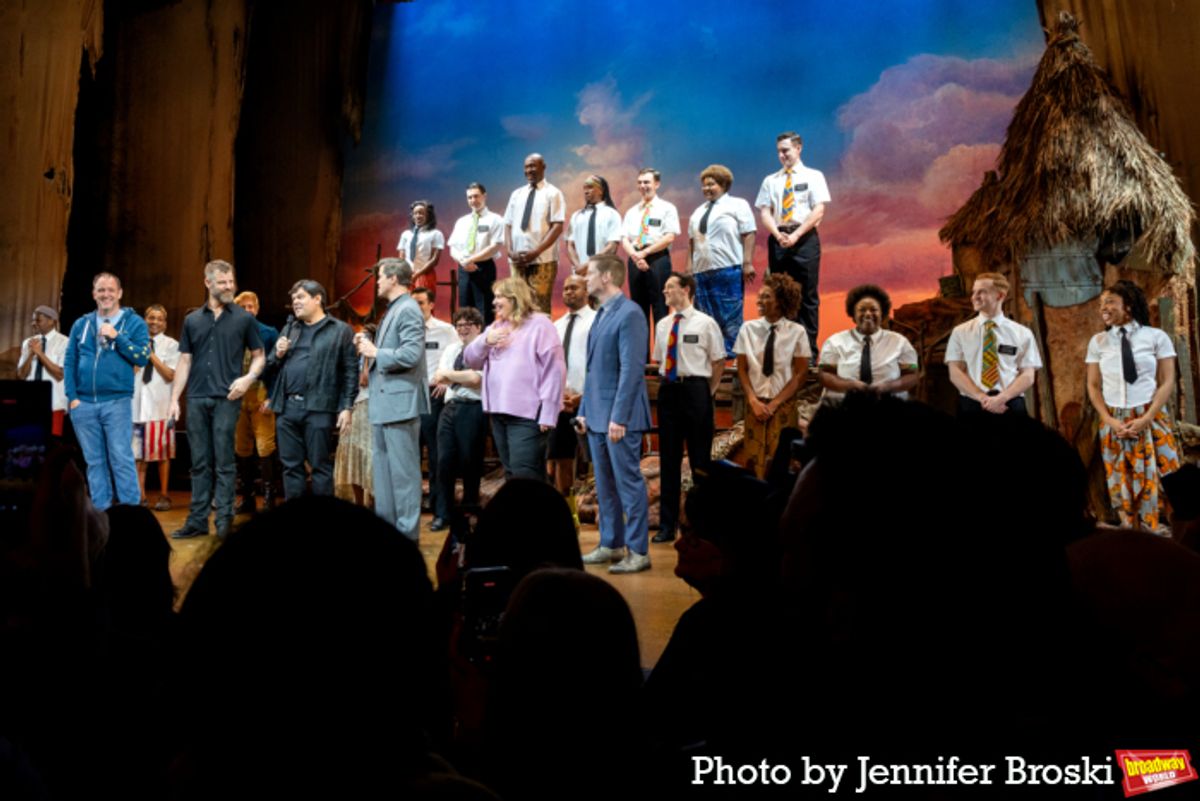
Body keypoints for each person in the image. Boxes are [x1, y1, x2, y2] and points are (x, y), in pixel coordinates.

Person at [169, 260, 265, 540]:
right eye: (222, 282)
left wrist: (247, 379)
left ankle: (224, 521)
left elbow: (259, 355)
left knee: (224, 461)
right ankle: (197, 520)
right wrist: (174, 399)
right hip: (197, 397)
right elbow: (184, 361)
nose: (228, 286)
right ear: (208, 283)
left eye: (231, 281)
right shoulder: (192, 320)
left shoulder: (244, 319)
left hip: (227, 398)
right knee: (199, 462)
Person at [1085, 280, 1181, 533]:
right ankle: (1131, 531)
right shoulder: (1098, 342)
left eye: (1110, 302)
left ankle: (1165, 531)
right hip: (1114, 419)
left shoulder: (1156, 337)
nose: (1103, 308)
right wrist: (1110, 420)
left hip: (1151, 415)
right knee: (1121, 477)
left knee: (1168, 474)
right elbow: (1093, 386)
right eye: (1101, 303)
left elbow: (1167, 381)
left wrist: (1147, 417)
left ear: (1128, 305)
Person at [578, 254, 653, 574]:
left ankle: (638, 551)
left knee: (628, 484)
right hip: (596, 415)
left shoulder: (630, 313)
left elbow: (632, 370)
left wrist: (619, 417)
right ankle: (611, 543)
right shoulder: (601, 313)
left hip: (620, 418)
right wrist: (584, 411)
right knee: (605, 486)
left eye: (590, 274)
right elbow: (593, 370)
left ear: (607, 277)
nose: (585, 279)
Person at [63, 273, 151, 511]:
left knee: (121, 458)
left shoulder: (134, 323)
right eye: (101, 290)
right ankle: (102, 515)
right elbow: (70, 361)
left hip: (117, 402)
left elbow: (142, 357)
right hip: (83, 405)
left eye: (111, 290)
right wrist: (73, 398)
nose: (106, 294)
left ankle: (131, 515)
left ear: (120, 293)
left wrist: (117, 336)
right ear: (94, 294)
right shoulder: (81, 324)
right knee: (94, 462)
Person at [462, 276, 564, 480]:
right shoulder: (495, 327)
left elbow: (555, 370)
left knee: (524, 474)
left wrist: (548, 411)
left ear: (515, 298)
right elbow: (470, 360)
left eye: (499, 296)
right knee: (511, 473)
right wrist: (484, 341)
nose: (494, 302)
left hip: (527, 415)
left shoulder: (540, 324)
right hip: (499, 412)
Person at [356, 258, 429, 540]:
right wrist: (368, 346)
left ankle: (408, 537)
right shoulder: (395, 309)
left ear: (394, 279)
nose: (377, 282)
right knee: (384, 476)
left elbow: (411, 355)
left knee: (403, 476)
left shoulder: (408, 309)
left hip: (400, 405)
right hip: (385, 404)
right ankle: (388, 536)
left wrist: (376, 353)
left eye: (380, 277)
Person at [265, 280, 357, 500]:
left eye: (300, 297)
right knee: (290, 467)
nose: (295, 302)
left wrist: (346, 406)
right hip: (287, 407)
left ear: (317, 299)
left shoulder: (340, 330)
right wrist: (278, 354)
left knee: (320, 465)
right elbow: (269, 366)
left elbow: (350, 372)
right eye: (293, 298)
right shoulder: (290, 329)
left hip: (319, 406)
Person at [653, 272, 725, 542]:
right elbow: (659, 360)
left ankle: (702, 526)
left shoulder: (706, 323)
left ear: (685, 289)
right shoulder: (663, 325)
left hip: (696, 389)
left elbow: (718, 361)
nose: (664, 291)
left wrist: (708, 393)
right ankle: (666, 525)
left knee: (700, 461)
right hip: (669, 390)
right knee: (669, 460)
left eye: (669, 287)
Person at [756, 131, 830, 354]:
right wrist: (777, 234)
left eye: (786, 150)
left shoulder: (814, 176)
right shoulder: (771, 180)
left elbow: (819, 209)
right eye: (779, 151)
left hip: (805, 238)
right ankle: (783, 349)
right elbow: (765, 212)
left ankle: (808, 352)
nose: (782, 155)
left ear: (798, 148)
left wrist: (796, 235)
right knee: (780, 294)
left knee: (807, 295)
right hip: (779, 239)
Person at [735, 273, 812, 479]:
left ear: (780, 301)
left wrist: (775, 403)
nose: (759, 301)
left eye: (766, 296)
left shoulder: (797, 332)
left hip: (783, 404)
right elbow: (742, 369)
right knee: (753, 463)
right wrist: (753, 400)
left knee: (781, 462)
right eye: (759, 296)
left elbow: (801, 373)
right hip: (755, 404)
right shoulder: (747, 329)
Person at [946, 271, 1041, 417]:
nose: (974, 297)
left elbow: (1028, 375)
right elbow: (955, 372)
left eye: (982, 292)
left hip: (1009, 405)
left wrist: (1001, 398)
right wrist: (982, 398)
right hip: (971, 405)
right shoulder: (960, 332)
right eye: (974, 292)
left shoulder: (1022, 333)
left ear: (1000, 296)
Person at [687, 164, 757, 357]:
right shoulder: (698, 211)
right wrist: (688, 269)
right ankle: (707, 357)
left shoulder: (738, 205)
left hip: (728, 269)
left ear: (724, 185)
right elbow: (692, 241)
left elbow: (749, 233)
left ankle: (732, 360)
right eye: (704, 185)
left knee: (730, 317)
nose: (706, 188)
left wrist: (747, 262)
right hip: (701, 272)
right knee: (703, 317)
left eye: (711, 184)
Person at [431, 307, 487, 530]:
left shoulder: (484, 350)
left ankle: (469, 511)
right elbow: (438, 375)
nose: (462, 329)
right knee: (444, 462)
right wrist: (457, 376)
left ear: (478, 327)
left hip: (473, 408)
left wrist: (450, 376)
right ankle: (442, 514)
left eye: (468, 325)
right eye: (459, 325)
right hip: (449, 408)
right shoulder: (452, 348)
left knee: (470, 462)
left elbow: (476, 379)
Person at [818, 283, 918, 404]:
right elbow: (824, 374)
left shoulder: (900, 342)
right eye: (862, 310)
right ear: (853, 314)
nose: (868, 314)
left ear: (882, 314)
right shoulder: (834, 342)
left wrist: (888, 387)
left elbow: (912, 375)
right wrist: (849, 385)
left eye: (874, 309)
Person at [549, 275, 596, 524]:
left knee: (596, 457)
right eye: (565, 288)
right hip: (561, 401)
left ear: (587, 290)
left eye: (574, 287)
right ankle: (568, 516)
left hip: (589, 399)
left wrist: (585, 396)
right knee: (561, 457)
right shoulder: (556, 325)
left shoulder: (597, 321)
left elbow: (600, 363)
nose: (568, 292)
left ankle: (601, 511)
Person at [413, 287, 458, 528]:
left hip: (433, 395)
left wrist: (445, 379)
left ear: (431, 305)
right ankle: (410, 510)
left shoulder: (446, 330)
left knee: (437, 456)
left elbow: (458, 356)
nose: (416, 307)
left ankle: (440, 512)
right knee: (409, 456)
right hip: (409, 395)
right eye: (413, 303)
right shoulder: (404, 329)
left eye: (420, 302)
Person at [232, 291, 280, 514]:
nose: (247, 310)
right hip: (237, 396)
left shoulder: (269, 333)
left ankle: (269, 498)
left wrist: (272, 397)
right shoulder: (229, 332)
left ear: (257, 309)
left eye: (251, 306)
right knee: (242, 447)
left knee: (265, 446)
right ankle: (247, 497)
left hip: (261, 393)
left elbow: (277, 368)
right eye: (243, 307)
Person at [621, 167, 680, 342]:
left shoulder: (667, 208)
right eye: (639, 182)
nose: (643, 186)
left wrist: (645, 252)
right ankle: (642, 356)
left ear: (657, 184)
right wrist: (636, 256)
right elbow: (624, 238)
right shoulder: (632, 211)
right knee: (638, 309)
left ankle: (661, 355)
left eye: (646, 182)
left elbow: (669, 236)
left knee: (661, 307)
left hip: (657, 258)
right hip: (635, 259)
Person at [132, 304, 181, 511]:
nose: (154, 322)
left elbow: (170, 375)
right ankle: (141, 496)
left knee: (162, 454)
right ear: (144, 320)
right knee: (138, 455)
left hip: (160, 406)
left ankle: (164, 495)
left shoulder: (172, 345)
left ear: (165, 324)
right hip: (136, 406)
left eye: (159, 319)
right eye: (151, 318)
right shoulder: (134, 343)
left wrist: (150, 354)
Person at [503, 153, 565, 313]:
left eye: (533, 166)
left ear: (543, 167)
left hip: (542, 260)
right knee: (517, 307)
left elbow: (557, 226)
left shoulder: (553, 193)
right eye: (526, 167)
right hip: (517, 261)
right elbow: (507, 225)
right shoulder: (516, 194)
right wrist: (510, 251)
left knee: (539, 308)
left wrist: (536, 252)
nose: (529, 170)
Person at [448, 182, 505, 325]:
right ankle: (466, 339)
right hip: (464, 269)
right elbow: (452, 248)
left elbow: (495, 246)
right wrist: (463, 261)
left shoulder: (495, 219)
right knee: (465, 310)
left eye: (476, 196)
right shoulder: (461, 221)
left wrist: (471, 259)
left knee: (484, 310)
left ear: (484, 196)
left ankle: (485, 339)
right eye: (469, 197)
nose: (473, 200)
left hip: (483, 268)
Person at [334, 324, 374, 506]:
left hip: (371, 407)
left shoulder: (375, 357)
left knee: (370, 457)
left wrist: (366, 356)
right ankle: (358, 503)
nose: (360, 341)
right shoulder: (349, 359)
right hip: (351, 409)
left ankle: (374, 502)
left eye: (365, 337)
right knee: (352, 457)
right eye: (358, 337)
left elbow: (365, 380)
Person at [17, 304, 69, 436]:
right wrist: (31, 354)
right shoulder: (28, 343)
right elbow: (21, 375)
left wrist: (40, 354)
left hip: (54, 403)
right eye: (33, 320)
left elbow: (60, 374)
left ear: (51, 321)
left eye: (38, 320)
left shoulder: (64, 342)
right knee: (28, 443)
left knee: (52, 443)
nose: (33, 324)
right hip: (29, 404)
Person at [565, 174, 621, 274]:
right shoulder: (576, 216)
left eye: (590, 187)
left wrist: (588, 265)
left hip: (602, 272)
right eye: (585, 188)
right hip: (579, 273)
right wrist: (578, 266)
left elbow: (612, 246)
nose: (586, 191)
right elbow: (570, 245)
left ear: (601, 190)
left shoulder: (612, 214)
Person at [397, 200, 443, 294]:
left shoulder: (435, 234)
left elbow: (434, 260)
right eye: (415, 213)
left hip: (425, 275)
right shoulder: (406, 234)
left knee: (422, 300)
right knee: (406, 301)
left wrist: (417, 274)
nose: (418, 216)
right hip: (407, 275)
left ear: (428, 215)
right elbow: (401, 257)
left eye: (421, 213)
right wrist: (406, 273)